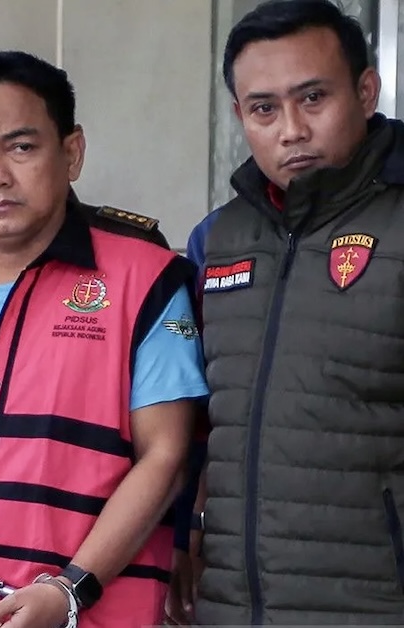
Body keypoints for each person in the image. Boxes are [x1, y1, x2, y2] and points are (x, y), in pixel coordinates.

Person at [0, 50, 209, 628]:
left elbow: (166, 456)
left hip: (96, 612)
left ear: (72, 152)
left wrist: (69, 590)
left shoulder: (146, 279)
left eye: (21, 147)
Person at [171, 1, 404, 624]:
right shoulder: (217, 240)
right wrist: (184, 531)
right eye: (264, 109)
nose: (291, 130)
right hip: (233, 605)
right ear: (240, 116)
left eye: (313, 98)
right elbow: (201, 421)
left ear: (366, 91)